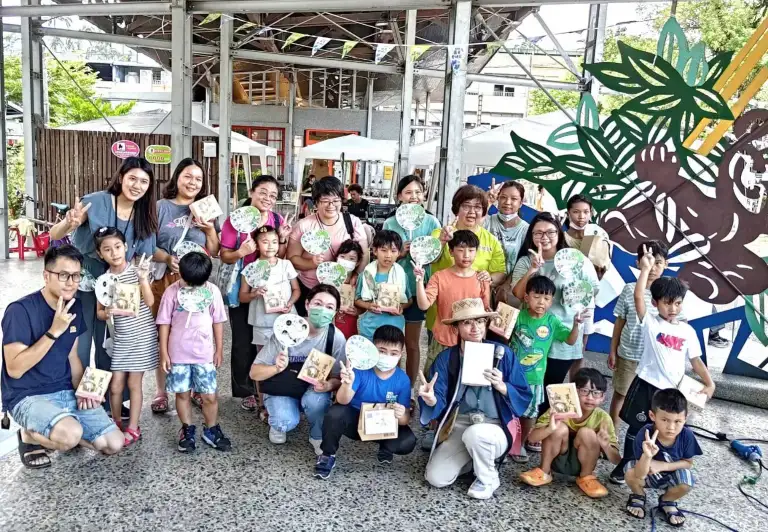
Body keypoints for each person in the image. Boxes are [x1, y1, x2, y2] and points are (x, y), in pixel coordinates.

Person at [49, 157, 158, 417]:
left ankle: (110, 404)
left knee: (111, 346)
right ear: (121, 177)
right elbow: (55, 235)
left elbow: (144, 260)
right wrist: (70, 222)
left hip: (119, 292)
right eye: (132, 178)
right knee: (81, 346)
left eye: (144, 181)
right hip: (83, 284)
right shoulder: (96, 201)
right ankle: (80, 403)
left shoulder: (144, 215)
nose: (137, 185)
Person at [2, 245, 123, 469]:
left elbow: (73, 358)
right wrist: (53, 331)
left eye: (76, 276)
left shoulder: (74, 308)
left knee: (114, 443)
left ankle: (65, 429)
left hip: (64, 390)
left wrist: (85, 391)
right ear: (46, 276)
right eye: (63, 275)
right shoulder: (19, 311)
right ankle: (28, 435)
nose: (71, 282)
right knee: (71, 434)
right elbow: (15, 369)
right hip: (26, 396)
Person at [610, 245, 715, 485]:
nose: (673, 308)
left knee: (667, 430)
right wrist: (645, 270)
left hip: (671, 392)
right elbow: (638, 297)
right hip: (646, 384)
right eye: (667, 303)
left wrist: (709, 383)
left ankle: (658, 467)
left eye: (677, 303)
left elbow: (695, 360)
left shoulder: (687, 331)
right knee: (637, 428)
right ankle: (625, 464)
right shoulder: (651, 323)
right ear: (656, 303)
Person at [421, 298, 531, 500]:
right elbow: (438, 396)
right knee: (436, 478)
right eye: (467, 323)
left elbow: (524, 395)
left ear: (486, 323)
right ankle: (476, 458)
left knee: (477, 434)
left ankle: (488, 478)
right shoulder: (447, 359)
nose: (475, 328)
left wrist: (503, 386)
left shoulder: (502, 354)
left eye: (480, 321)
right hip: (459, 425)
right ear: (456, 327)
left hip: (493, 426)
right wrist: (430, 400)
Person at [510, 212, 599, 429]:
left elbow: (592, 290)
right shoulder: (525, 260)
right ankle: (524, 430)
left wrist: (575, 295)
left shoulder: (576, 260)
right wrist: (533, 268)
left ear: (559, 234)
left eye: (550, 232)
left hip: (564, 335)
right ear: (531, 236)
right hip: (531, 337)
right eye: (538, 232)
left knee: (553, 385)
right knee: (529, 383)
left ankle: (544, 429)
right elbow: (518, 293)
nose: (545, 236)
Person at [150, 158, 220, 414]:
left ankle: (192, 389)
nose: (192, 182)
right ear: (177, 177)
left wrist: (210, 230)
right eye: (187, 176)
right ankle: (161, 391)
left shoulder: (206, 208)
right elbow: (148, 245)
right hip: (164, 280)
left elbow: (214, 251)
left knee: (193, 332)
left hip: (196, 284)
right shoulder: (160, 207)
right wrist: (168, 259)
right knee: (165, 334)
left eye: (198, 179)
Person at [220, 175, 292, 412]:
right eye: (263, 192)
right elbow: (224, 255)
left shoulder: (276, 219)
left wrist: (282, 238)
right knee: (242, 339)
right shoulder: (235, 220)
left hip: (270, 289)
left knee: (266, 338)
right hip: (243, 285)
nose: (268, 198)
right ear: (251, 191)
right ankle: (245, 390)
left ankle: (267, 384)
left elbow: (280, 253)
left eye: (273, 195)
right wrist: (241, 251)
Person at [250, 284, 347, 455]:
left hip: (312, 389)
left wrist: (328, 385)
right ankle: (279, 421)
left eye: (329, 307)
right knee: (284, 421)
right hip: (283, 386)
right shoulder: (286, 330)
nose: (322, 310)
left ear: (335, 312)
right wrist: (275, 368)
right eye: (318, 303)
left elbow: (339, 378)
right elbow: (254, 372)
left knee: (316, 401)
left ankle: (317, 435)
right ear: (307, 304)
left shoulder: (336, 337)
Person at [314, 325, 416, 479]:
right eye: (382, 351)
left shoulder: (402, 380)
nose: (387, 356)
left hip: (383, 426)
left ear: (401, 354)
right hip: (355, 421)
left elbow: (405, 419)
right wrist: (347, 383)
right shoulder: (360, 370)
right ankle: (327, 454)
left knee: (407, 441)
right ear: (373, 349)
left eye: (393, 353)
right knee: (335, 413)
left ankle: (385, 447)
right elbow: (341, 400)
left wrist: (401, 414)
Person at [157, 252, 230, 452]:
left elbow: (218, 321)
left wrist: (219, 349)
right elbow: (164, 323)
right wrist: (164, 352)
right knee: (182, 394)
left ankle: (211, 428)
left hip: (204, 354)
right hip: (178, 354)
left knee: (210, 395)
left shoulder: (212, 291)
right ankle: (187, 429)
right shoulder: (172, 292)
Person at [509, 275, 583, 463]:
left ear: (551, 301)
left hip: (535, 379)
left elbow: (570, 340)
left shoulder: (552, 321)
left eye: (547, 298)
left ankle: (520, 445)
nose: (541, 302)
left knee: (530, 415)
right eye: (537, 296)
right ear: (526, 297)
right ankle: (507, 442)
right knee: (509, 411)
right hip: (512, 377)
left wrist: (576, 325)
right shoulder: (517, 316)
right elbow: (503, 335)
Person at [94, 227, 157, 446]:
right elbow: (99, 313)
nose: (114, 253)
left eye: (118, 247)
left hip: (141, 335)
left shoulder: (137, 271)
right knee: (115, 385)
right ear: (100, 253)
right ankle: (117, 423)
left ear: (126, 247)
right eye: (107, 249)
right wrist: (107, 312)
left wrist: (142, 279)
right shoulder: (103, 280)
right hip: (121, 337)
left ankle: (133, 426)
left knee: (134, 382)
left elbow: (149, 302)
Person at [520, 368, 621, 499]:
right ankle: (544, 471)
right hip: (555, 459)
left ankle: (586, 478)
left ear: (602, 397)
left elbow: (616, 460)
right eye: (584, 391)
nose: (590, 397)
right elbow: (532, 438)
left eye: (596, 393)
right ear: (573, 392)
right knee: (559, 427)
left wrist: (606, 446)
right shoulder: (559, 408)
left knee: (587, 433)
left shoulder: (603, 418)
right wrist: (550, 429)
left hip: (583, 464)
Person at [382, 175, 442, 387]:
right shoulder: (390, 222)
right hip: (395, 289)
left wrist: (424, 252)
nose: (413, 196)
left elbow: (438, 255)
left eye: (417, 192)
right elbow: (383, 256)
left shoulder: (431, 222)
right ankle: (391, 385)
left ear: (424, 195)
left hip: (419, 289)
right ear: (399, 196)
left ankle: (408, 386)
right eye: (408, 192)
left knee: (412, 342)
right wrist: (399, 253)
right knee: (393, 340)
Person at [427, 185, 505, 334]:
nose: (472, 212)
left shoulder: (492, 241)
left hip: (475, 321)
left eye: (477, 207)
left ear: (483, 211)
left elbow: (500, 272)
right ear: (457, 208)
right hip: (443, 313)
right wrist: (442, 242)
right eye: (466, 206)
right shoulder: (440, 233)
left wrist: (489, 277)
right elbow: (429, 260)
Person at [608, 241, 670, 427]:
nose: (652, 267)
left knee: (653, 400)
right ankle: (612, 436)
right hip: (628, 354)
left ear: (666, 264)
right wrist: (613, 350)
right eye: (647, 262)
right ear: (638, 263)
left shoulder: (669, 294)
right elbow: (620, 322)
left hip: (654, 358)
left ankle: (645, 438)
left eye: (657, 262)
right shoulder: (629, 289)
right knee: (621, 394)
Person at [288, 177, 369, 316]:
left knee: (337, 332)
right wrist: (311, 263)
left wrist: (356, 274)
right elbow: (292, 258)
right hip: (310, 288)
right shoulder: (304, 225)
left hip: (342, 289)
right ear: (316, 202)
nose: (331, 205)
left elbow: (364, 254)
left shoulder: (352, 223)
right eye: (325, 200)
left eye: (336, 200)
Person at [413, 230, 491, 374]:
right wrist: (419, 281)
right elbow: (423, 305)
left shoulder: (481, 278)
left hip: (472, 342)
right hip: (443, 341)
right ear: (451, 251)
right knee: (434, 381)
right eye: (461, 250)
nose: (466, 255)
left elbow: (485, 311)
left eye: (471, 250)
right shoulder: (439, 277)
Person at [624, 389, 702, 527]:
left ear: (686, 417)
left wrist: (662, 465)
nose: (671, 427)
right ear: (652, 415)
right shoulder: (645, 433)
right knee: (630, 471)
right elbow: (639, 474)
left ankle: (667, 501)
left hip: (671, 477)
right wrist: (647, 456)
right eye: (665, 420)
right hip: (647, 474)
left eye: (678, 421)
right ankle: (638, 495)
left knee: (687, 480)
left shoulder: (687, 435)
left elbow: (688, 463)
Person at [561, 194, 605, 380]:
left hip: (587, 299)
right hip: (563, 298)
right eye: (576, 212)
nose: (581, 216)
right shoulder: (560, 237)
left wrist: (599, 269)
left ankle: (575, 386)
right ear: (568, 213)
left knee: (580, 347)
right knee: (562, 340)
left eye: (586, 212)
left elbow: (601, 272)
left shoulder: (597, 238)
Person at [239, 225, 300, 347]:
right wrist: (254, 294)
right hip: (262, 321)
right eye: (265, 242)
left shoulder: (286, 265)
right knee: (262, 356)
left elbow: (296, 289)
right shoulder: (250, 269)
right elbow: (242, 297)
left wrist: (290, 303)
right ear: (256, 245)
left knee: (288, 354)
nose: (271, 246)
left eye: (274, 242)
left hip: (286, 317)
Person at [355, 230, 411, 341]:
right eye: (383, 250)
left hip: (394, 326)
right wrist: (368, 306)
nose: (388, 255)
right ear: (375, 251)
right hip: (370, 328)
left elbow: (409, 300)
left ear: (399, 253)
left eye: (393, 251)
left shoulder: (402, 274)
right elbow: (357, 299)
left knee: (391, 354)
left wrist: (401, 307)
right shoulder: (366, 274)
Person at [484, 180, 529, 277]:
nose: (507, 202)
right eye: (503, 197)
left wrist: (508, 284)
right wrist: (487, 202)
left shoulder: (526, 230)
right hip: (482, 284)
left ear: (521, 203)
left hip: (510, 288)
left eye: (514, 199)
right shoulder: (487, 221)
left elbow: (526, 262)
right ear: (498, 199)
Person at [334, 239, 363, 338]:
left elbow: (362, 305)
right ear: (336, 258)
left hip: (349, 325)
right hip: (331, 324)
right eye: (342, 257)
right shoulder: (328, 278)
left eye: (351, 258)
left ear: (358, 262)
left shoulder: (358, 281)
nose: (346, 261)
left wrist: (358, 311)